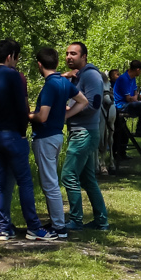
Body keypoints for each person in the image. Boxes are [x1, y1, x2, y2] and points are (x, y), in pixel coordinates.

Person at [0, 39, 48, 242]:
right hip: (13, 135)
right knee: (25, 183)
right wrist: (22, 131)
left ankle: (3, 229)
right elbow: (22, 108)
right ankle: (33, 227)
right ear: (10, 56)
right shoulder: (14, 76)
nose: (17, 61)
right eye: (17, 57)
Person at [30, 45, 82, 239]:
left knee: (49, 183)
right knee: (50, 181)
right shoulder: (63, 82)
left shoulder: (50, 85)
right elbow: (83, 101)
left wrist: (27, 114)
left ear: (39, 64)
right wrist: (65, 116)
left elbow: (42, 117)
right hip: (57, 135)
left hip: (45, 137)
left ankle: (59, 227)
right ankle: (57, 222)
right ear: (57, 62)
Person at [60, 41, 109, 231]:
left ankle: (75, 220)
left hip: (85, 133)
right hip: (79, 131)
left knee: (68, 175)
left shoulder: (90, 76)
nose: (69, 57)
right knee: (87, 179)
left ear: (84, 57)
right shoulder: (76, 76)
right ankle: (101, 221)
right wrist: (65, 76)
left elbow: (93, 105)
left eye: (74, 54)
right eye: (67, 54)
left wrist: (68, 113)